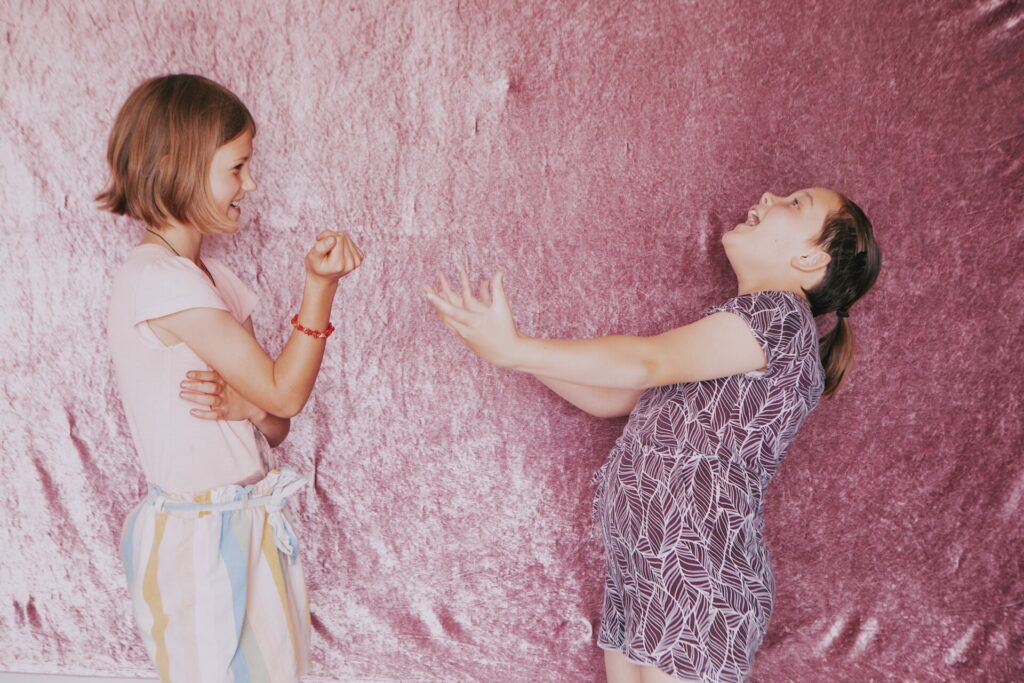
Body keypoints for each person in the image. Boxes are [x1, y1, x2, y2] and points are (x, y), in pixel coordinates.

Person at [424, 188, 881, 682]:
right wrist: (514, 353)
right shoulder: (734, 328)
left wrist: (518, 350)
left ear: (810, 257)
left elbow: (646, 360)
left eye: (795, 204)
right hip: (648, 565)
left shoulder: (781, 317)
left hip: (700, 571)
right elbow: (614, 396)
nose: (771, 195)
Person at [99, 73, 363, 683]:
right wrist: (319, 290)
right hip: (197, 536)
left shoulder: (211, 280)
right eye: (238, 167)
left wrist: (246, 406)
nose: (252, 183)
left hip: (246, 521)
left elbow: (275, 420)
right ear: (178, 165)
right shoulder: (161, 280)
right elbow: (285, 388)